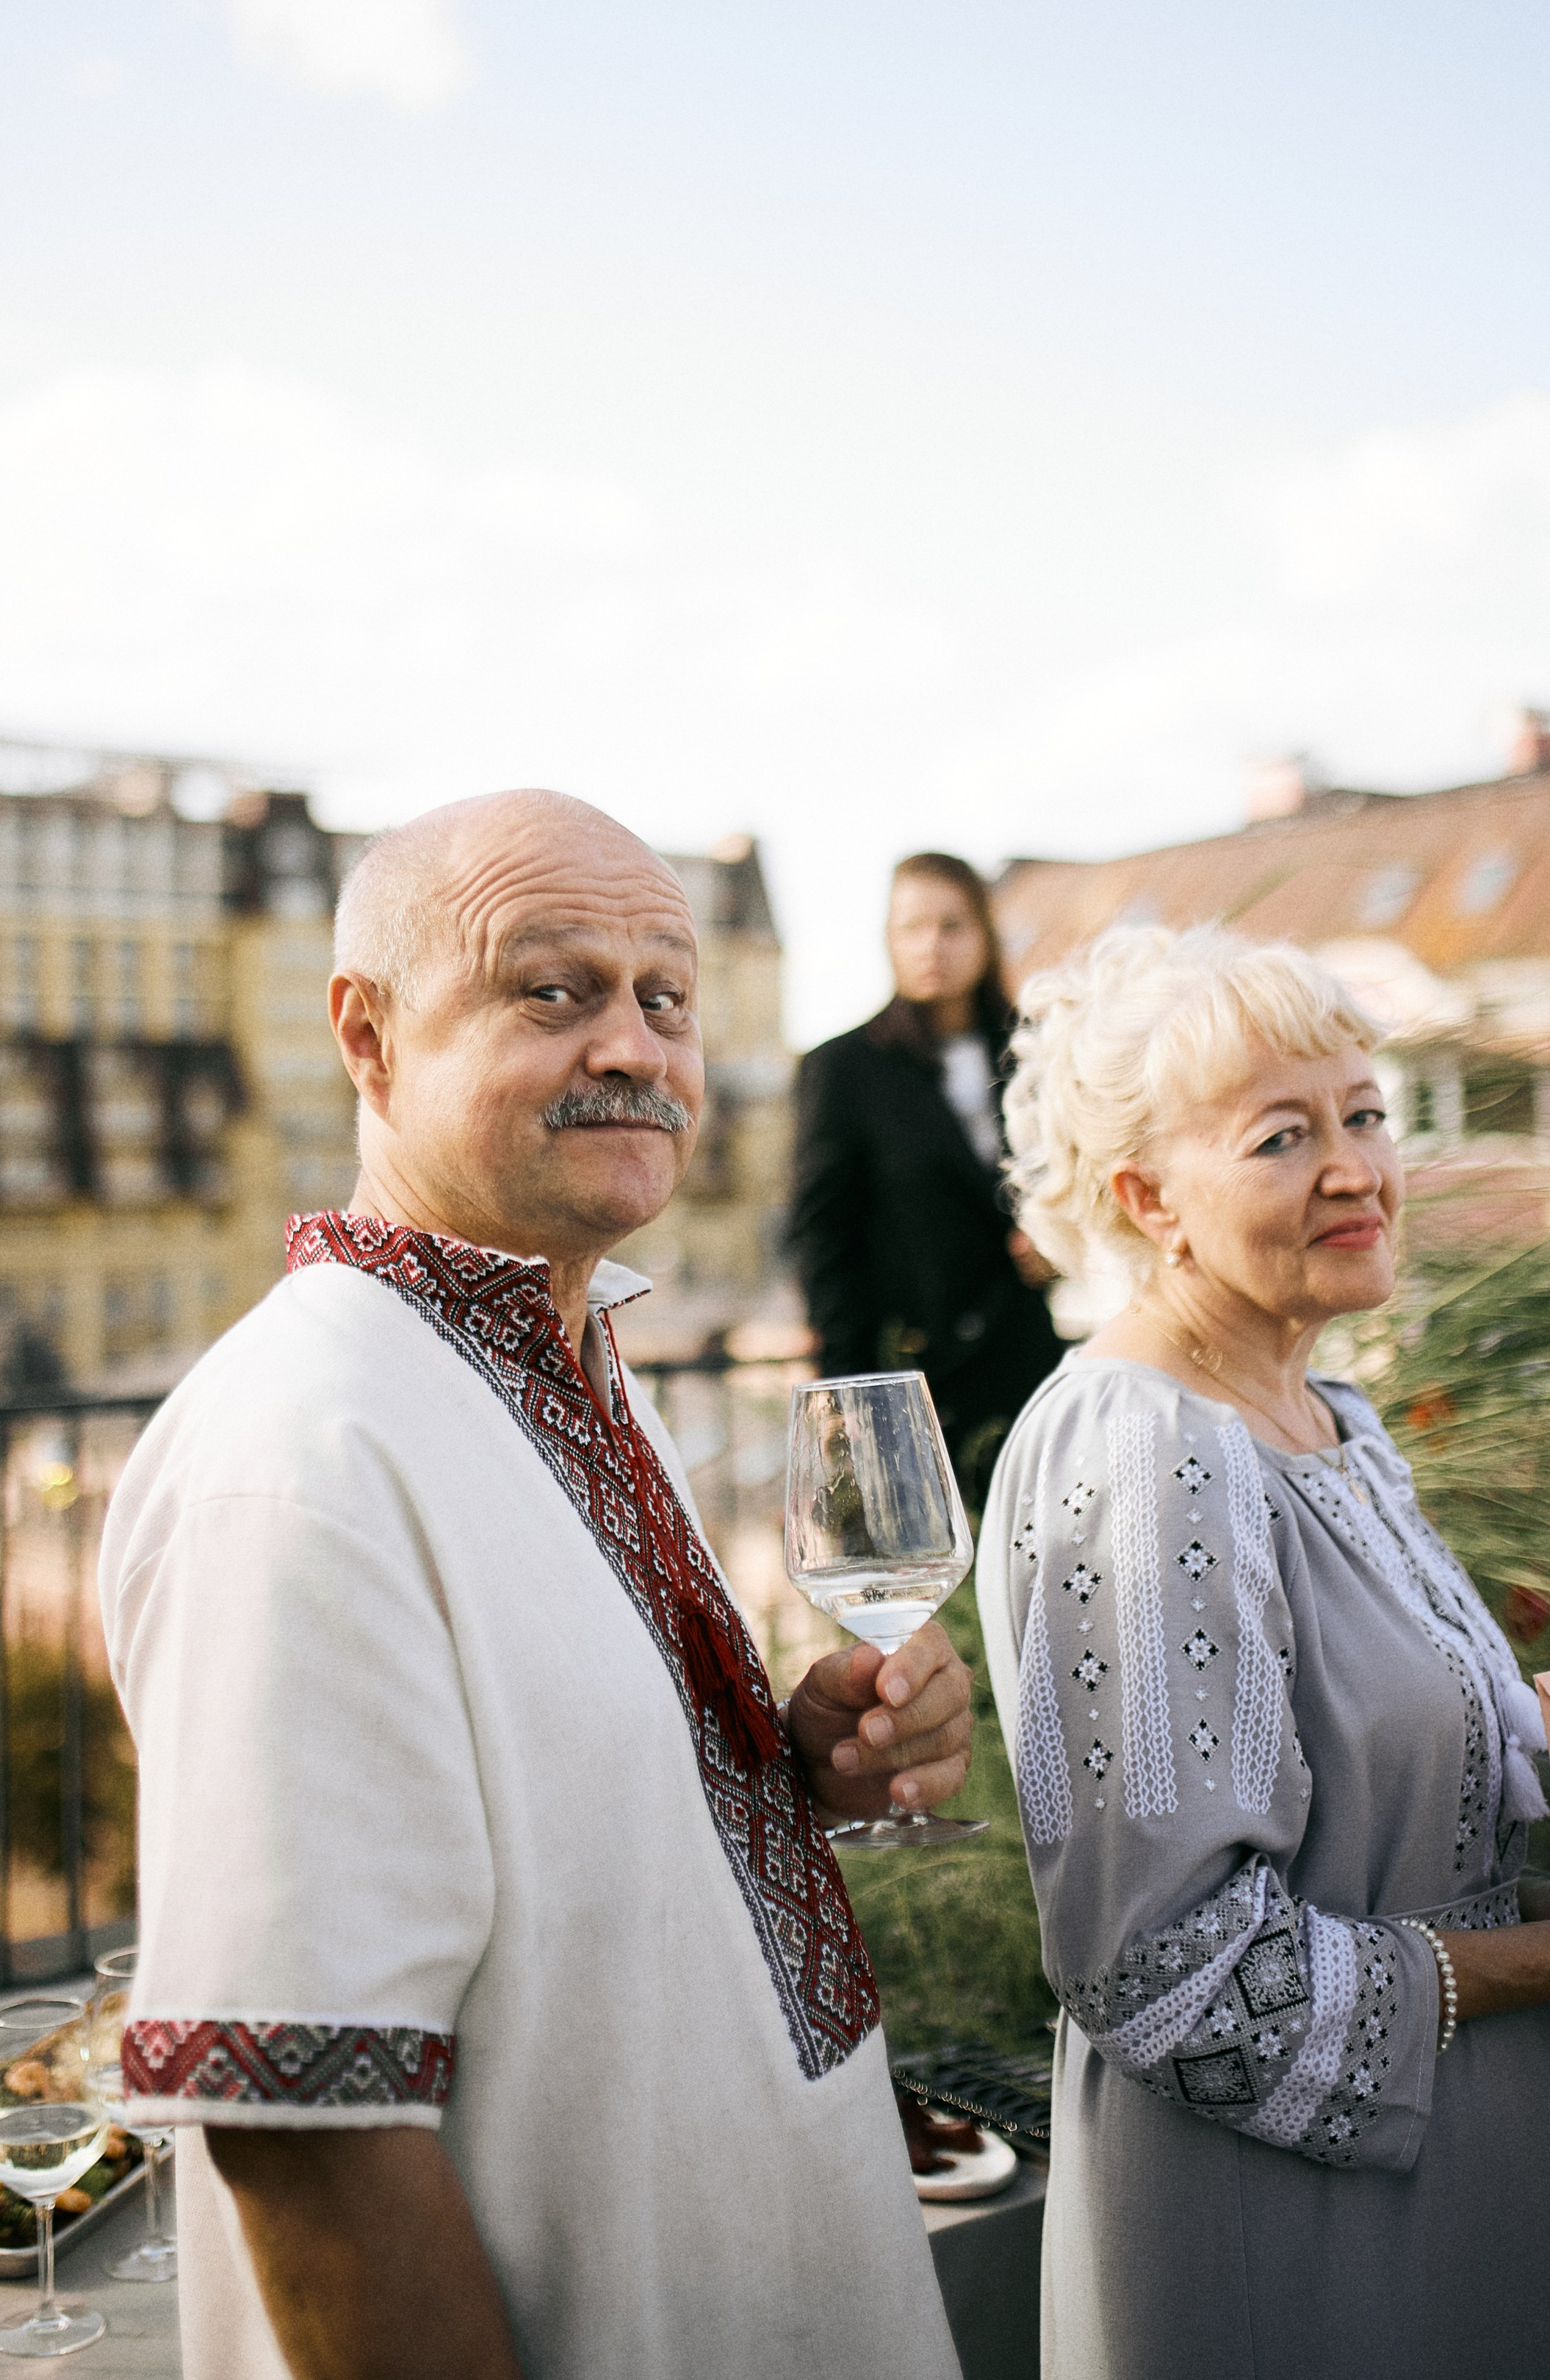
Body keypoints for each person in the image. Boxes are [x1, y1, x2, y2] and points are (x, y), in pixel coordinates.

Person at [102, 791, 973, 2380]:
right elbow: (307, 2127)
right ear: (366, 1036)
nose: (634, 1046)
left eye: (665, 996)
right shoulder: (298, 1456)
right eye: (550, 991)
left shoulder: (563, 1358)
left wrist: (791, 1769)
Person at [975, 924, 1550, 2380]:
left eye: (1361, 1112)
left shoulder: (1321, 1416)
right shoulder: (1140, 1444)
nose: (1355, 1163)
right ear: (1142, 1194)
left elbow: (1408, 1768)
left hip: (1447, 2199)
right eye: (1281, 1135)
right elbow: (1176, 1975)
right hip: (1289, 2249)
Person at [787, 851, 1063, 1498]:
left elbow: (1085, 1180)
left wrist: (1062, 1238)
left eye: (951, 926)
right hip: (912, 1381)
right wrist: (848, 1402)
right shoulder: (846, 1068)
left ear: (984, 935)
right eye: (910, 928)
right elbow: (822, 1241)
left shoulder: (1036, 1050)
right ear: (887, 941)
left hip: (1028, 1366)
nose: (930, 946)